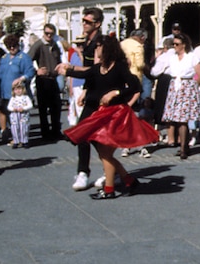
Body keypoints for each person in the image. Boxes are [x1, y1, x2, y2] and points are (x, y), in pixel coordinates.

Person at [59, 36, 155, 199]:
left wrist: (115, 93)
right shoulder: (98, 68)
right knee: (105, 153)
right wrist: (67, 70)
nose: (96, 50)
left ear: (107, 49)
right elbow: (86, 74)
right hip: (100, 115)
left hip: (114, 115)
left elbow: (135, 86)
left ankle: (110, 189)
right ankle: (129, 181)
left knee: (105, 153)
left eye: (98, 47)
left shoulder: (119, 68)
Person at [71, 8, 105, 191]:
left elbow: (96, 70)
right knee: (84, 132)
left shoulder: (100, 42)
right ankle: (84, 171)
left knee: (94, 134)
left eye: (87, 21)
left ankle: (108, 170)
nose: (83, 24)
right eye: (83, 21)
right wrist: (84, 90)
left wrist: (70, 70)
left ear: (97, 24)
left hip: (102, 94)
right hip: (92, 92)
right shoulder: (87, 41)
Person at [160, 33, 200, 160]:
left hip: (186, 87)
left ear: (184, 45)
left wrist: (192, 84)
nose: (174, 46)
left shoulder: (192, 57)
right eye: (173, 44)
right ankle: (184, 146)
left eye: (177, 44)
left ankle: (183, 148)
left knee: (183, 119)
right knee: (176, 118)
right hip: (175, 87)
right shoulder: (172, 58)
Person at [28, 23, 66, 142]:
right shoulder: (38, 45)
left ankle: (56, 130)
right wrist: (36, 71)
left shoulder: (54, 45)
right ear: (43, 33)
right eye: (47, 33)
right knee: (43, 108)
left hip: (53, 78)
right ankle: (45, 132)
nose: (49, 36)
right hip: (43, 80)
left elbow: (58, 59)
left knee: (56, 106)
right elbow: (28, 60)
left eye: (51, 34)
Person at [6, 80, 33, 149]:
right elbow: (9, 107)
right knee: (15, 128)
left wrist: (24, 108)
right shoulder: (13, 98)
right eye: (16, 89)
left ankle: (25, 141)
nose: (18, 91)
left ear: (22, 89)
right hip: (15, 115)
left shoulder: (26, 97)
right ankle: (16, 141)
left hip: (23, 115)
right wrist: (13, 109)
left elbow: (30, 105)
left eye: (19, 89)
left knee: (24, 128)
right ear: (14, 91)